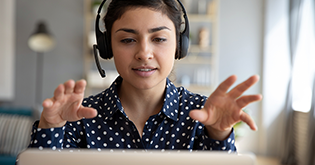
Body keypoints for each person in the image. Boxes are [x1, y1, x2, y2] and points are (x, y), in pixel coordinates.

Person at [28, 0, 262, 152]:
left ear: (179, 46)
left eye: (159, 39)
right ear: (107, 47)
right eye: (128, 40)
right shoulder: (77, 117)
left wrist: (218, 135)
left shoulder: (203, 116)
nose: (144, 53)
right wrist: (51, 127)